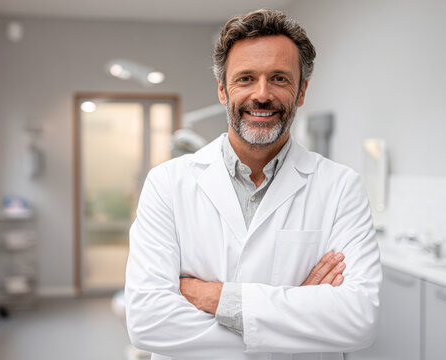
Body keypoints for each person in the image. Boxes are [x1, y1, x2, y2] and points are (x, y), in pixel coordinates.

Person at [125, 8, 381, 360]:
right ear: (222, 90)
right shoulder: (167, 184)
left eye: (279, 78)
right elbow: (147, 322)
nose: (262, 94)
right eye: (245, 78)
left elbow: (358, 320)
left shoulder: (341, 187)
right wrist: (296, 313)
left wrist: (217, 298)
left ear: (302, 91)